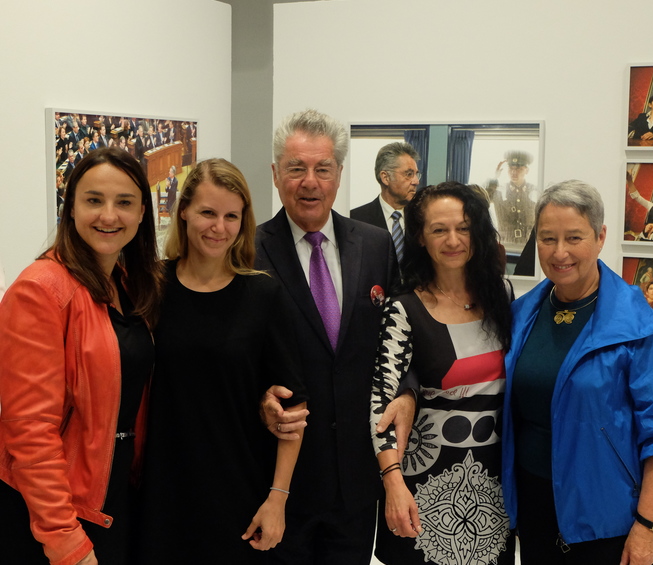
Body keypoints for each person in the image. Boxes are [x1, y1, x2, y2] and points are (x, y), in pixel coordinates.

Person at [501, 180, 653, 564]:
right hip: (534, 504)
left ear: (601, 236)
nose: (559, 252)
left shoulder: (636, 323)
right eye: (547, 238)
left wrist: (647, 526)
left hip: (605, 516)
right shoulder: (522, 314)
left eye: (574, 238)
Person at [137, 158, 308, 563]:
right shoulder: (150, 287)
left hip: (239, 490)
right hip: (160, 489)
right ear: (183, 211)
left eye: (232, 216)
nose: (219, 227)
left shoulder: (263, 295)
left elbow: (293, 408)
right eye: (208, 213)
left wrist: (278, 498)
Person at [0, 147, 163, 565]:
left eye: (124, 202)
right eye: (93, 200)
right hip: (57, 513)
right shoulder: (40, 290)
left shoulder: (129, 284)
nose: (108, 215)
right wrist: (64, 538)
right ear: (70, 208)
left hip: (112, 497)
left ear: (142, 212)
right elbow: (29, 430)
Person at [254, 109, 399, 565]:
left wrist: (408, 394)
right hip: (279, 483)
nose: (310, 182)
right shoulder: (248, 252)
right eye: (296, 168)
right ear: (276, 174)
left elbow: (398, 344)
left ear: (339, 173)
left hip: (356, 482)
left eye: (323, 168)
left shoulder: (375, 246)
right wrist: (259, 398)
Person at [370, 182, 515, 565]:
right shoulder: (404, 308)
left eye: (463, 228)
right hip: (424, 484)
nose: (453, 240)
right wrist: (393, 483)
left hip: (494, 483)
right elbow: (380, 405)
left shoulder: (502, 295)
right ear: (420, 236)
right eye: (439, 229)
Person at [350, 141, 421, 263]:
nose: (416, 181)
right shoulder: (355, 220)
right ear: (385, 177)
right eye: (409, 174)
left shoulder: (421, 218)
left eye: (416, 174)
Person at [486, 151, 538, 252]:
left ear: (526, 170)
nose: (514, 172)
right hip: (505, 245)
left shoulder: (535, 191)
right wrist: (495, 178)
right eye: (511, 169)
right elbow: (482, 200)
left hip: (528, 246)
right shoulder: (499, 191)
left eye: (519, 169)